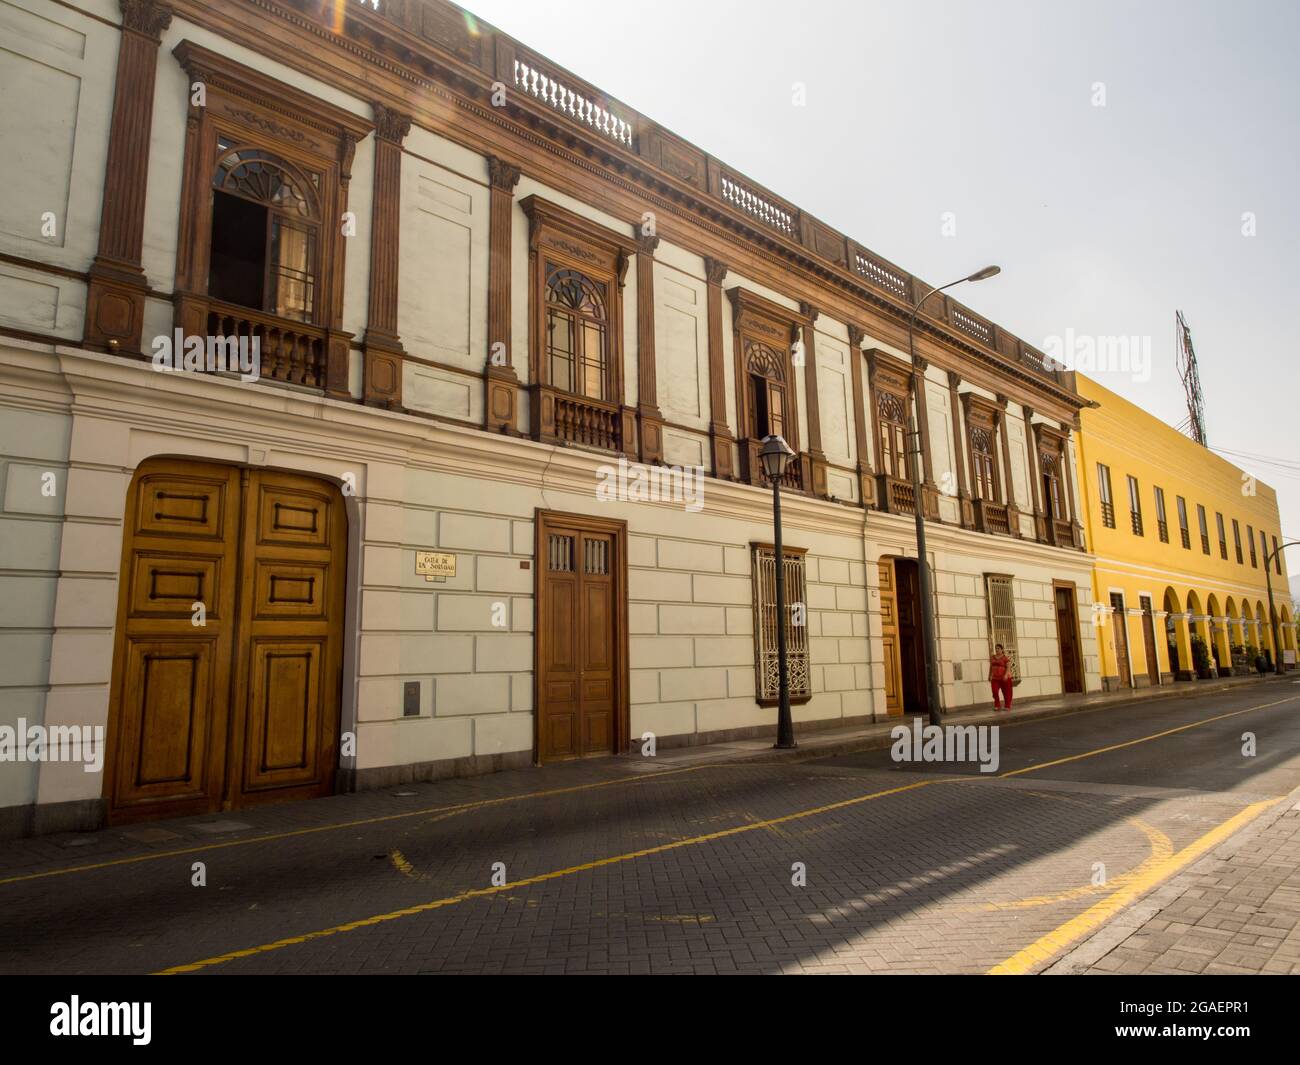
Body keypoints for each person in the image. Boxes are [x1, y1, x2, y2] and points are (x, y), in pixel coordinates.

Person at [989, 643, 1013, 711]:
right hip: (995, 678)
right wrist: (989, 675)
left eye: (998, 648)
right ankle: (997, 705)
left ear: (1002, 650)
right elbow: (991, 667)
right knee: (994, 691)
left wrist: (1006, 675)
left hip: (1004, 678)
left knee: (1006, 692)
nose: (997, 650)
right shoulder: (993, 657)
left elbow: (1008, 667)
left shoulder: (1005, 658)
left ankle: (1007, 706)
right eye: (996, 648)